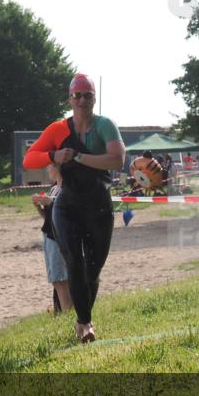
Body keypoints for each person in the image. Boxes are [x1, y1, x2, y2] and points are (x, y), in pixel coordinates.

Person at [22, 74, 125, 344]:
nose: (81, 100)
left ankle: (83, 319)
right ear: (69, 98)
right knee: (74, 263)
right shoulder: (58, 129)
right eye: (76, 95)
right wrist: (53, 156)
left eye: (87, 95)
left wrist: (78, 157)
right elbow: (29, 159)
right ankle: (85, 324)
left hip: (99, 204)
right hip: (67, 205)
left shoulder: (105, 126)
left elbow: (116, 160)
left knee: (93, 269)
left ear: (94, 98)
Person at [32, 164, 72, 315]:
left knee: (60, 279)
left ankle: (67, 314)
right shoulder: (54, 188)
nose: (47, 170)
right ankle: (63, 311)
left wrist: (51, 203)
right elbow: (48, 218)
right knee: (56, 280)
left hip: (58, 238)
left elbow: (67, 213)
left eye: (50, 167)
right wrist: (38, 206)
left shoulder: (66, 189)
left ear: (59, 169)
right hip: (49, 236)